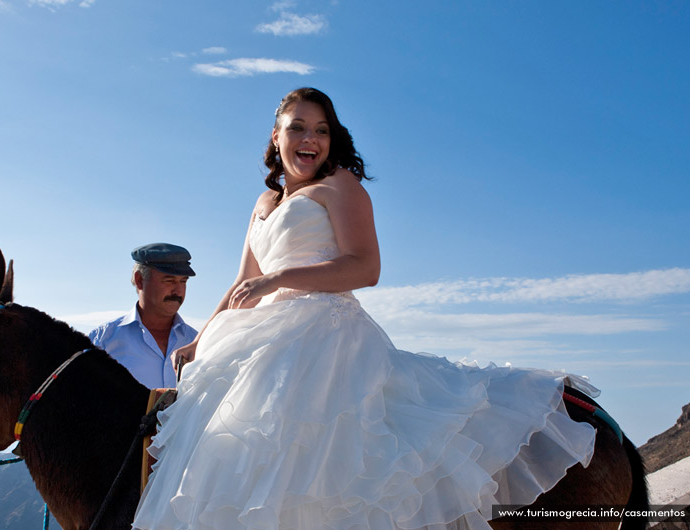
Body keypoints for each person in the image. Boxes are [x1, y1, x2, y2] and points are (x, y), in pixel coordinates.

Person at [133, 88, 597, 530]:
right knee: (232, 452)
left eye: (321, 130)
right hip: (259, 336)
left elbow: (365, 268)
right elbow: (241, 283)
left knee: (326, 459)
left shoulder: (341, 185)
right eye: (297, 128)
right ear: (276, 137)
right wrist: (200, 338)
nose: (309, 139)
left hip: (323, 335)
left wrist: (278, 279)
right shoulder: (264, 202)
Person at [89, 243, 197, 389]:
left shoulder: (199, 343)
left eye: (183, 281)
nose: (178, 290)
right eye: (169, 280)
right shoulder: (102, 342)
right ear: (140, 280)